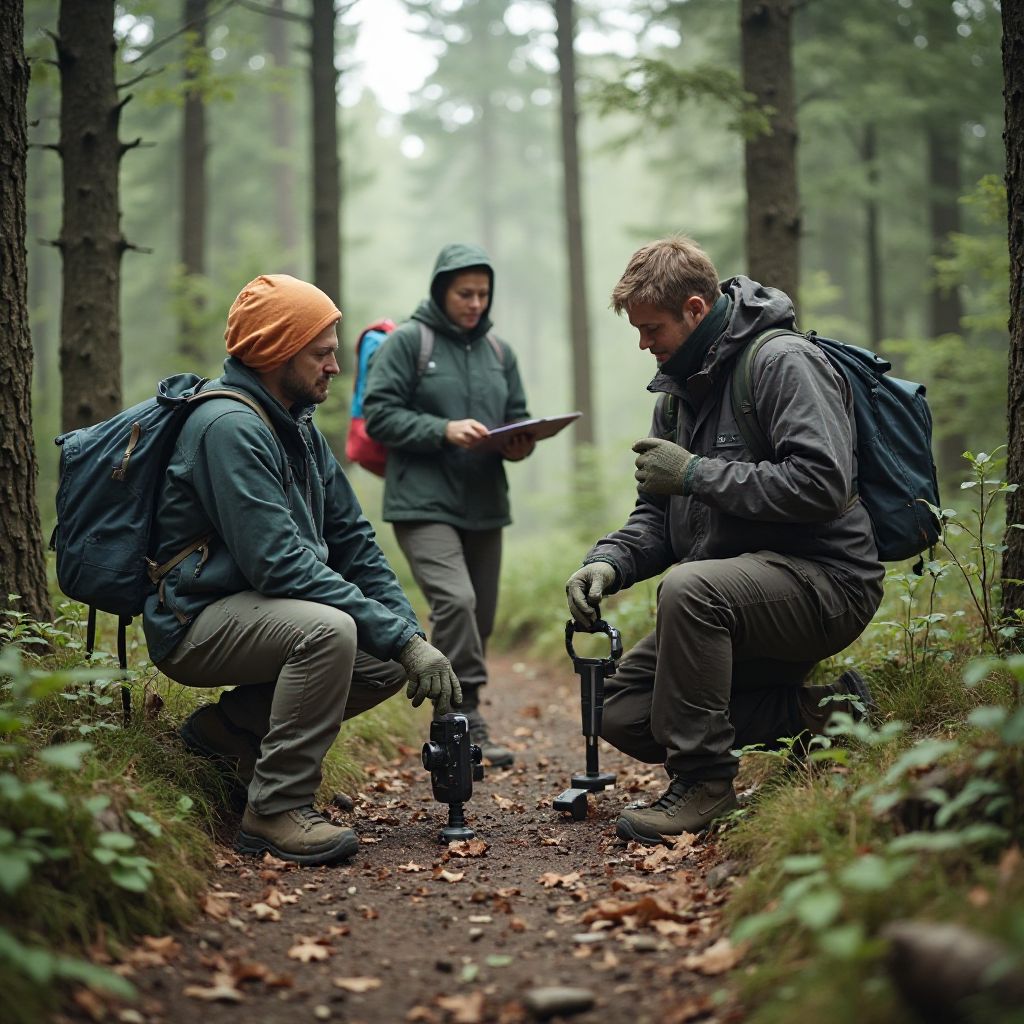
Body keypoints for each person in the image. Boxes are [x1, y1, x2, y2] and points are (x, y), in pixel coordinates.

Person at [565, 237, 883, 845]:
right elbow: (657, 519)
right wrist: (607, 563)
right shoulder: (679, 391)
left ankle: (705, 786)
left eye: (651, 327)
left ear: (693, 308)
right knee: (624, 710)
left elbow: (821, 482)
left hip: (827, 582)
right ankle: (830, 716)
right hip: (730, 598)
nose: (643, 343)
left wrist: (694, 474)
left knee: (690, 588)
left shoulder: (782, 361)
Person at [144, 274, 461, 867]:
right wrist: (397, 636)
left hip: (260, 611)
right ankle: (275, 810)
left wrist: (407, 636)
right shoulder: (228, 428)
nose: (335, 368)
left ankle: (225, 738)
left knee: (382, 659)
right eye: (322, 353)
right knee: (330, 631)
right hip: (195, 620)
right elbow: (280, 566)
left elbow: (354, 541)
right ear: (275, 352)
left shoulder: (298, 425)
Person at [362, 243, 534, 767]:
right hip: (421, 503)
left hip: (484, 503)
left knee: (478, 616)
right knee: (455, 603)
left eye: (483, 293)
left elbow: (519, 415)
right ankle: (460, 719)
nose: (475, 302)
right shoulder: (410, 343)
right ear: (441, 290)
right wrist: (443, 429)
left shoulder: (500, 353)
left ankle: (464, 718)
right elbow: (379, 416)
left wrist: (520, 441)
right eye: (465, 292)